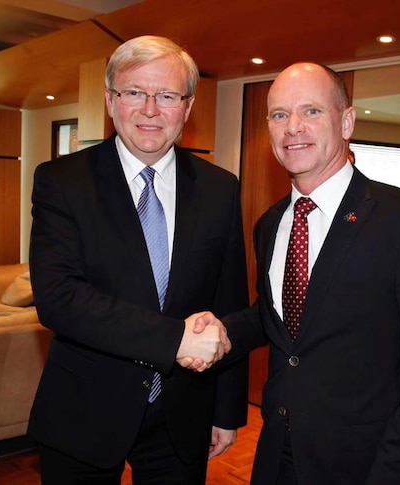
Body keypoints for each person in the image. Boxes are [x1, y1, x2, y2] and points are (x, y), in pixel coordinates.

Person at [195, 62, 400, 484]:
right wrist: (222, 330)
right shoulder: (269, 224)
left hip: (367, 465)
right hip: (276, 455)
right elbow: (278, 318)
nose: (293, 127)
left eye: (312, 111)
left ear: (347, 122)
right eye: (280, 115)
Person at [27, 35, 250, 484]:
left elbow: (230, 304)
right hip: (84, 414)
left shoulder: (220, 189)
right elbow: (59, 298)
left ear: (187, 108)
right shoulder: (61, 181)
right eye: (134, 93)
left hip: (183, 418)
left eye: (167, 95)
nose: (150, 110)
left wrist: (227, 411)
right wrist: (174, 340)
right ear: (111, 101)